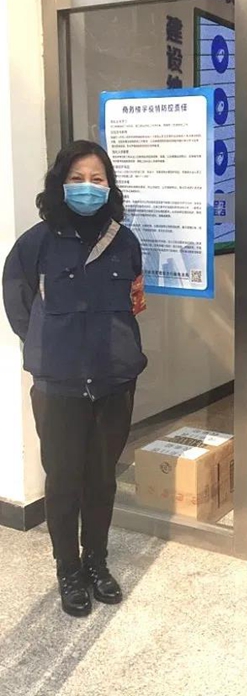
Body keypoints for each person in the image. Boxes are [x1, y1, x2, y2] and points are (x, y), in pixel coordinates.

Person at [3, 140, 147, 618]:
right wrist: (49, 346)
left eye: (98, 179)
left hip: (114, 381)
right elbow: (18, 303)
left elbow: (133, 300)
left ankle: (96, 562)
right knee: (64, 481)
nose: (88, 187)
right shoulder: (36, 243)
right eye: (78, 178)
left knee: (102, 479)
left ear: (110, 186)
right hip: (59, 385)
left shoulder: (125, 242)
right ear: (60, 183)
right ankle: (68, 569)